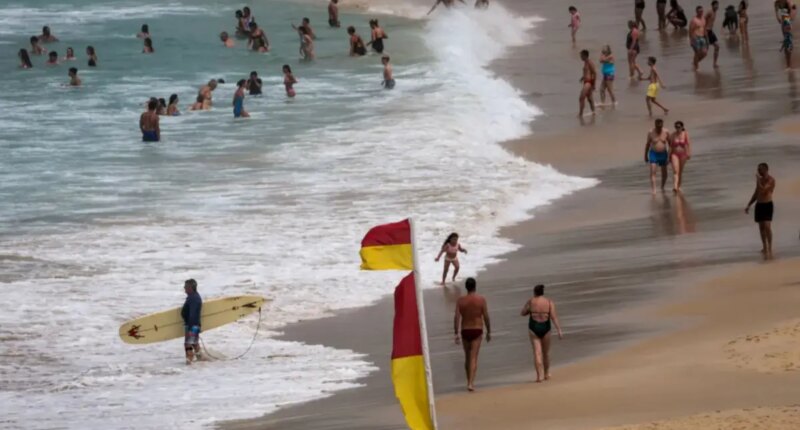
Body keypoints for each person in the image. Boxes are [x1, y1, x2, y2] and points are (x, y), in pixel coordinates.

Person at [454, 278, 491, 392]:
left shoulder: (460, 301)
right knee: (474, 357)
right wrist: (489, 331)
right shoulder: (481, 300)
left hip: (465, 330)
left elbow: (456, 317)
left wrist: (456, 333)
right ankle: (471, 383)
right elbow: (486, 316)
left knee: (467, 357)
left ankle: (468, 381)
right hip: (477, 330)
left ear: (466, 287)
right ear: (475, 286)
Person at [520, 285, 563, 383]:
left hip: (533, 328)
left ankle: (539, 376)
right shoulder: (549, 302)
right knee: (546, 353)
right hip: (546, 328)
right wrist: (559, 330)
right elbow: (554, 317)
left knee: (537, 353)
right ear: (542, 292)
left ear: (534, 292)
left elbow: (522, 312)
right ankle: (546, 373)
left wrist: (530, 311)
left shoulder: (531, 301)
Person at [745, 163, 776, 258]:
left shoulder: (771, 180)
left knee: (767, 226)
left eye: (760, 169)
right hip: (759, 205)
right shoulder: (760, 180)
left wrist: (758, 181)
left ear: (766, 169)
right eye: (758, 169)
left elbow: (764, 190)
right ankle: (764, 247)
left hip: (767, 205)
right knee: (761, 228)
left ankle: (770, 247)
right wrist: (749, 204)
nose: (758, 171)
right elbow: (757, 193)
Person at [644, 118, 670, 193]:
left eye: (660, 126)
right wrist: (645, 156)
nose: (658, 128)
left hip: (663, 153)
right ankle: (654, 190)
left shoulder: (666, 132)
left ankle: (662, 187)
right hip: (653, 153)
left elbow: (670, 144)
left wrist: (669, 156)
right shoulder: (651, 132)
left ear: (662, 125)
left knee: (664, 172)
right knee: (653, 171)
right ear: (655, 125)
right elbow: (647, 144)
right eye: (657, 126)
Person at [181, 279, 203, 365]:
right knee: (194, 344)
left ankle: (189, 364)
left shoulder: (194, 298)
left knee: (188, 344)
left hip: (192, 325)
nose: (184, 288)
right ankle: (201, 361)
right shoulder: (194, 297)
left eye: (185, 286)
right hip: (194, 325)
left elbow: (193, 314)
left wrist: (190, 328)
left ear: (190, 287)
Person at [669, 121, 691, 192]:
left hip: (683, 155)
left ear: (682, 127)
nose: (677, 128)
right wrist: (668, 156)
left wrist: (688, 153)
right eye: (676, 127)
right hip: (674, 154)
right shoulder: (672, 135)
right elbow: (670, 147)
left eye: (678, 127)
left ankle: (678, 186)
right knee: (675, 171)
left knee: (680, 172)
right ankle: (675, 186)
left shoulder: (685, 134)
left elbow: (688, 144)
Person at [690, 6, 709, 70]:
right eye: (699, 11)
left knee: (705, 53)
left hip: (702, 37)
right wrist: (691, 40)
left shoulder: (703, 19)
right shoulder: (694, 20)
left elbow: (705, 29)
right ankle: (696, 68)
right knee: (697, 53)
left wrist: (707, 39)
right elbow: (690, 30)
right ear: (697, 12)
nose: (701, 12)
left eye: (702, 11)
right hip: (696, 38)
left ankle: (695, 63)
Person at [578, 49, 596, 117]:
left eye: (581, 55)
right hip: (586, 81)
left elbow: (594, 73)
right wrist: (583, 77)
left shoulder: (589, 62)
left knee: (581, 97)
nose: (580, 57)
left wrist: (594, 84)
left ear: (585, 55)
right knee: (590, 99)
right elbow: (587, 72)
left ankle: (580, 114)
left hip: (589, 82)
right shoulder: (585, 62)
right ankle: (593, 112)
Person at [705, 1, 721, 68]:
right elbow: (703, 20)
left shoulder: (715, 12)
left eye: (717, 5)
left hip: (711, 31)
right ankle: (695, 62)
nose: (717, 6)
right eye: (715, 5)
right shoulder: (709, 12)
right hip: (706, 31)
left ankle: (714, 64)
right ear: (712, 5)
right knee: (705, 49)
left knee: (717, 46)